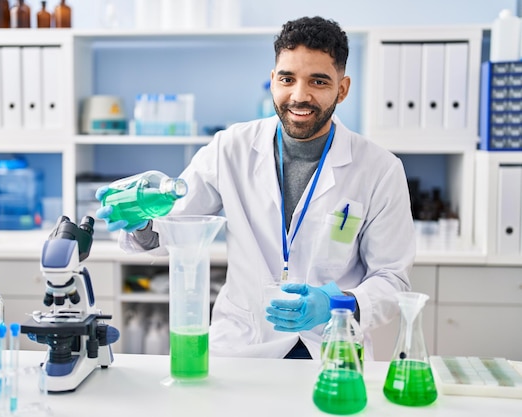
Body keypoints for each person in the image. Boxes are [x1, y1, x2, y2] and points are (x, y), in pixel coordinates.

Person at [96, 16, 415, 360]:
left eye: (318, 81)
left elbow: (392, 280)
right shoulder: (230, 147)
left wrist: (335, 304)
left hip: (331, 346)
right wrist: (142, 225)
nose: (299, 96)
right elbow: (176, 224)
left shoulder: (380, 169)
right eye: (287, 79)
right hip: (243, 345)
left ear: (342, 88)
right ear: (273, 80)